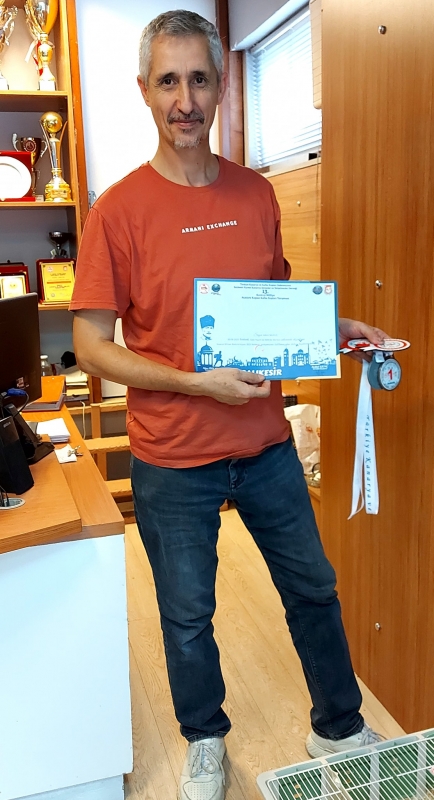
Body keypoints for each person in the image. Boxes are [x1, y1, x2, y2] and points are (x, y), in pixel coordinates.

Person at [71, 10, 388, 800]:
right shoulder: (117, 211)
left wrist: (334, 327)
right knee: (187, 616)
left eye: (199, 80)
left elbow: (272, 309)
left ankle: (338, 725)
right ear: (144, 90)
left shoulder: (256, 194)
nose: (185, 100)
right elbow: (92, 347)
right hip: (172, 456)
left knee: (314, 589)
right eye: (168, 81)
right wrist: (193, 382)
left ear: (220, 88)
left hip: (266, 446)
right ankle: (205, 740)